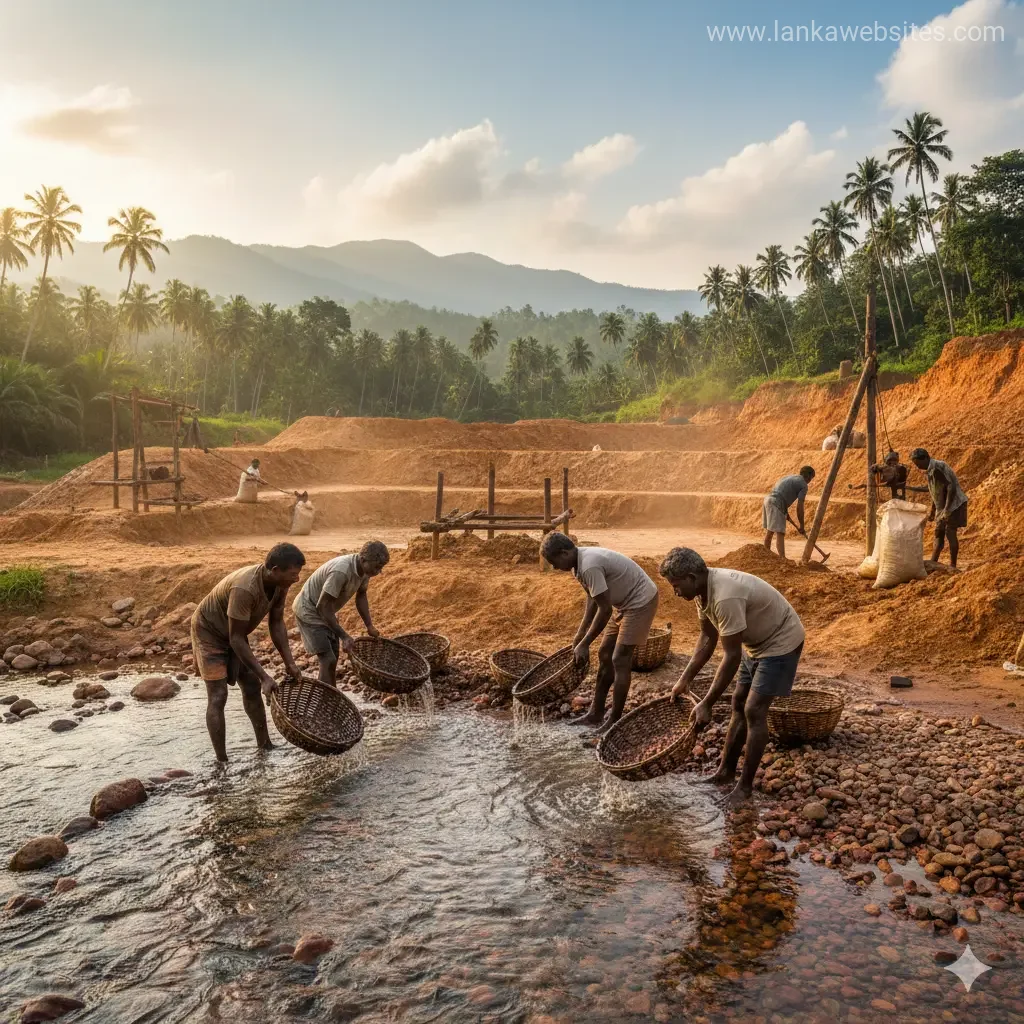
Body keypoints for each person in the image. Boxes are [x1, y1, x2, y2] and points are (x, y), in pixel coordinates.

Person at [659, 547, 805, 807]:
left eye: (676, 585)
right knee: (738, 702)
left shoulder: (724, 596)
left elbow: (731, 656)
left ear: (692, 577)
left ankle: (745, 787)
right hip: (757, 643)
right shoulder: (702, 593)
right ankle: (725, 773)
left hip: (781, 640)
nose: (675, 592)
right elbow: (707, 638)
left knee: (753, 710)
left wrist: (706, 702)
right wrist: (685, 680)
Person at [191, 543, 305, 762]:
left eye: (297, 574)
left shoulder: (280, 583)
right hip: (209, 633)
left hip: (235, 633)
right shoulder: (246, 588)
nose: (297, 579)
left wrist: (290, 663)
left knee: (251, 685)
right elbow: (236, 639)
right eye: (293, 574)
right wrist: (265, 677)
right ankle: (221, 761)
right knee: (218, 695)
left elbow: (277, 623)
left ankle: (265, 745)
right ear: (275, 570)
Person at [541, 533, 659, 733]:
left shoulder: (589, 565)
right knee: (604, 654)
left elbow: (605, 611)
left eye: (554, 562)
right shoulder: (577, 565)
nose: (553, 567)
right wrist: (580, 634)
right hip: (622, 604)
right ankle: (595, 713)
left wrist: (585, 643)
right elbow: (593, 599)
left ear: (564, 553)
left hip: (640, 601)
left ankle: (614, 720)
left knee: (620, 658)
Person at [292, 541, 389, 686]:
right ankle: (325, 700)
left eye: (380, 568)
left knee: (334, 657)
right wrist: (344, 636)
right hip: (309, 610)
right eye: (376, 567)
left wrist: (369, 625)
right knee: (327, 658)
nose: (378, 572)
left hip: (326, 611)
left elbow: (361, 595)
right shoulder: (341, 571)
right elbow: (323, 607)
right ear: (363, 560)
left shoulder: (365, 570)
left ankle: (331, 696)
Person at [910, 448, 968, 568]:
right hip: (942, 507)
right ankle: (933, 561)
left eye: (918, 464)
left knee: (950, 532)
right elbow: (935, 490)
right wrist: (933, 511)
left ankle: (953, 565)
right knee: (938, 533)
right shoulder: (930, 470)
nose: (917, 467)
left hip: (954, 504)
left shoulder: (937, 468)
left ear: (925, 458)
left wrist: (946, 510)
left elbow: (950, 487)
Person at [762, 466, 816, 559]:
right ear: (808, 476)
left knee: (770, 531)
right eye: (811, 478)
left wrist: (785, 513)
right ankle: (782, 559)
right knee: (780, 532)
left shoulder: (790, 477)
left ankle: (766, 556)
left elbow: (782, 494)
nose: (810, 481)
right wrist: (802, 525)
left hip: (768, 500)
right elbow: (800, 507)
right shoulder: (803, 484)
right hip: (776, 503)